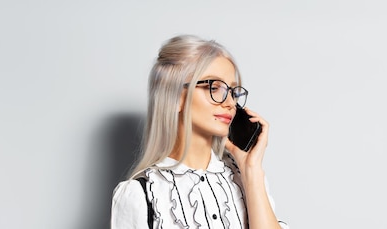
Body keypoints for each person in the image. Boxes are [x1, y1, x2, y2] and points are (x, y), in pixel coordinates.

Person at [111, 34, 289, 229]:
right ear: (176, 97)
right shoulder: (140, 194)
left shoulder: (247, 178)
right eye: (215, 87)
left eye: (232, 91)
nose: (230, 103)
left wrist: (251, 170)